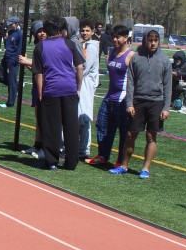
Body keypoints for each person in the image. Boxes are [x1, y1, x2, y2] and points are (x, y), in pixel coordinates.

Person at [110, 30, 171, 179]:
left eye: (156, 40)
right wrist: (129, 103)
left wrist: (166, 108)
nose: (153, 43)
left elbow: (168, 85)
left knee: (151, 136)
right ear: (145, 41)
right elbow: (130, 82)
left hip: (156, 102)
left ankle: (145, 169)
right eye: (150, 40)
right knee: (130, 134)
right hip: (138, 101)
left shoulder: (165, 60)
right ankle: (124, 165)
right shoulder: (136, 58)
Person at [32, 17, 85, 170]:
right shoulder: (69, 44)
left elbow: (39, 73)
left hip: (51, 89)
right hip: (69, 88)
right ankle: (71, 162)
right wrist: (78, 87)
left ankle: (52, 161)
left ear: (46, 30)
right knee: (71, 126)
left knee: (52, 127)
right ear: (61, 30)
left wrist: (40, 93)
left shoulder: (40, 46)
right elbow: (80, 67)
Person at [88, 25, 135, 166]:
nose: (114, 40)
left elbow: (135, 80)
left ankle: (120, 161)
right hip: (109, 97)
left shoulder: (131, 56)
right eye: (113, 37)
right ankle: (103, 155)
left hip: (122, 99)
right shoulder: (112, 52)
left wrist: (131, 101)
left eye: (118, 37)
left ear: (125, 38)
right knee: (102, 125)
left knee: (123, 132)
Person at [19, 21, 48, 158]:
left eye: (44, 31)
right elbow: (37, 69)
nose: (42, 33)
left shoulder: (48, 46)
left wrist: (27, 61)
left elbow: (45, 65)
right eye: (39, 31)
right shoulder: (38, 46)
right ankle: (37, 144)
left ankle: (45, 147)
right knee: (38, 116)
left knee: (44, 117)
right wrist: (27, 64)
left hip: (46, 86)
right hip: (36, 85)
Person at [77, 20, 100, 159]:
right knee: (79, 115)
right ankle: (80, 147)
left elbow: (85, 68)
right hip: (82, 82)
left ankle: (84, 149)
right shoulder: (84, 44)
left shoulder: (91, 47)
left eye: (87, 30)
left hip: (86, 84)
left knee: (84, 116)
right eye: (82, 30)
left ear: (92, 32)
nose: (84, 33)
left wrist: (75, 74)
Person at [0, 16, 22, 108]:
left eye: (11, 24)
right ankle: (16, 86)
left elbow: (19, 49)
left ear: (17, 24)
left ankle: (10, 103)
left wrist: (14, 60)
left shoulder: (20, 34)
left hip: (13, 60)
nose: (9, 26)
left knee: (11, 81)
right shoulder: (10, 32)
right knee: (0, 77)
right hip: (6, 57)